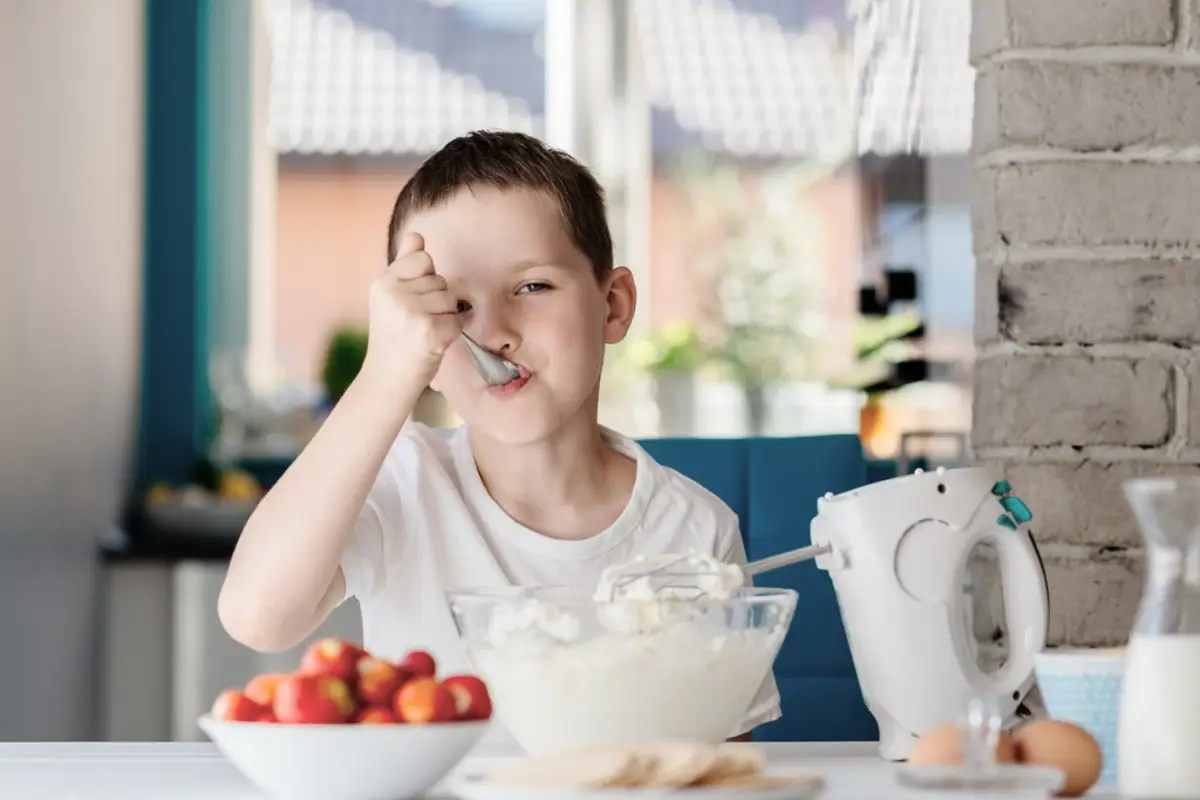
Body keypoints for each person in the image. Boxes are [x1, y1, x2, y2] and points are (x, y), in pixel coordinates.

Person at [218, 130, 781, 740]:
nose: (494, 332)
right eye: (455, 307)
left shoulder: (695, 531)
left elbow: (726, 763)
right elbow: (258, 618)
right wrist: (383, 376)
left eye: (532, 287)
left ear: (613, 305)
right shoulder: (404, 482)